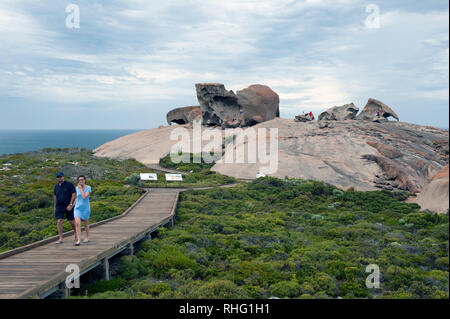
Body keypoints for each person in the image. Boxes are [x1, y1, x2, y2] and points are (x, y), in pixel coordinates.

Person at [54, 172, 77, 244]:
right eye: (58, 177)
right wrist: (54, 206)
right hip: (59, 206)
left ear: (63, 177)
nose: (59, 178)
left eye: (61, 176)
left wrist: (71, 204)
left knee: (71, 221)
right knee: (59, 221)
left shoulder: (69, 184)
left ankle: (76, 234)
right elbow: (55, 196)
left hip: (68, 205)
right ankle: (60, 238)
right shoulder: (56, 186)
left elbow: (73, 194)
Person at [73, 175, 92, 246]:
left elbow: (84, 197)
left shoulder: (88, 188)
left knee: (85, 224)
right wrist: (72, 205)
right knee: (77, 223)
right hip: (77, 208)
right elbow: (78, 197)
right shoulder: (76, 188)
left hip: (85, 208)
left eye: (82, 180)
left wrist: (80, 189)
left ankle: (87, 237)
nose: (80, 181)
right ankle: (78, 240)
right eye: (79, 180)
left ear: (84, 180)